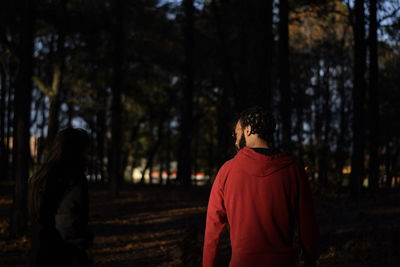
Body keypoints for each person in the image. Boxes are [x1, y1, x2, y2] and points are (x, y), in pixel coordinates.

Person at [203, 106, 319, 267]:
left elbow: (212, 228)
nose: (236, 141)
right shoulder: (294, 171)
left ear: (248, 131)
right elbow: (308, 225)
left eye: (236, 133)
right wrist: (310, 260)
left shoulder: (227, 171)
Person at [29, 128, 93, 267]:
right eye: (86, 151)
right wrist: (81, 244)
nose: (89, 156)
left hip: (41, 250)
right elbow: (69, 218)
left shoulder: (42, 175)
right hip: (65, 254)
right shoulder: (73, 177)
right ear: (76, 150)